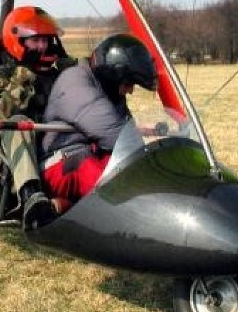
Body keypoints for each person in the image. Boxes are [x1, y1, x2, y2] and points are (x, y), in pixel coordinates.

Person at [0, 6, 75, 229]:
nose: (42, 46)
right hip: (11, 150)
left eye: (46, 40)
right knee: (19, 122)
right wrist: (24, 74)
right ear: (19, 42)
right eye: (36, 41)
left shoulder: (56, 74)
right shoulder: (1, 74)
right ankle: (31, 195)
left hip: (54, 145)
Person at [39, 33, 158, 203]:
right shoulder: (75, 81)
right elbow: (115, 135)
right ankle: (130, 212)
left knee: (120, 166)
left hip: (91, 154)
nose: (131, 90)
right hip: (59, 162)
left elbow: (127, 143)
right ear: (111, 76)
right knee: (88, 167)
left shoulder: (109, 91)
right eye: (128, 84)